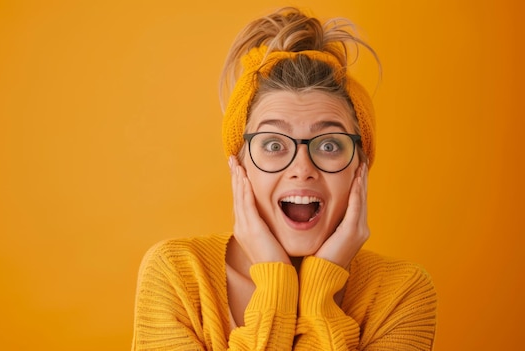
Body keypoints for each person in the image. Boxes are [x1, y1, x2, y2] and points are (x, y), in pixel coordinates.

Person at [131, 6, 437, 350]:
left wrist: (319, 289)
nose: (302, 167)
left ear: (360, 166)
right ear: (240, 165)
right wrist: (277, 285)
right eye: (274, 144)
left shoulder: (402, 292)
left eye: (330, 145)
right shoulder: (177, 275)